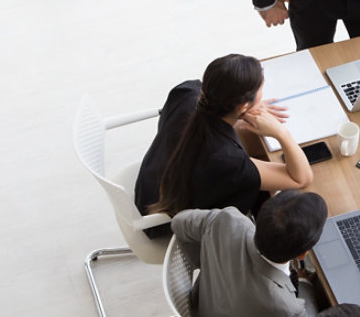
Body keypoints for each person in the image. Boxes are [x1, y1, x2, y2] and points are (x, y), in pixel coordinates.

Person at [135, 54, 314, 237]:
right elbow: (301, 179)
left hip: (149, 189)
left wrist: (240, 114)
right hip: (166, 220)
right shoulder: (227, 159)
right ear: (242, 106)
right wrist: (281, 133)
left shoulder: (187, 92)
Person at [173, 190, 328, 317]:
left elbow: (178, 223)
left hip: (202, 308)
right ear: (302, 254)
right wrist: (304, 283)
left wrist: (209, 258)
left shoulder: (227, 220)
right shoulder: (286, 307)